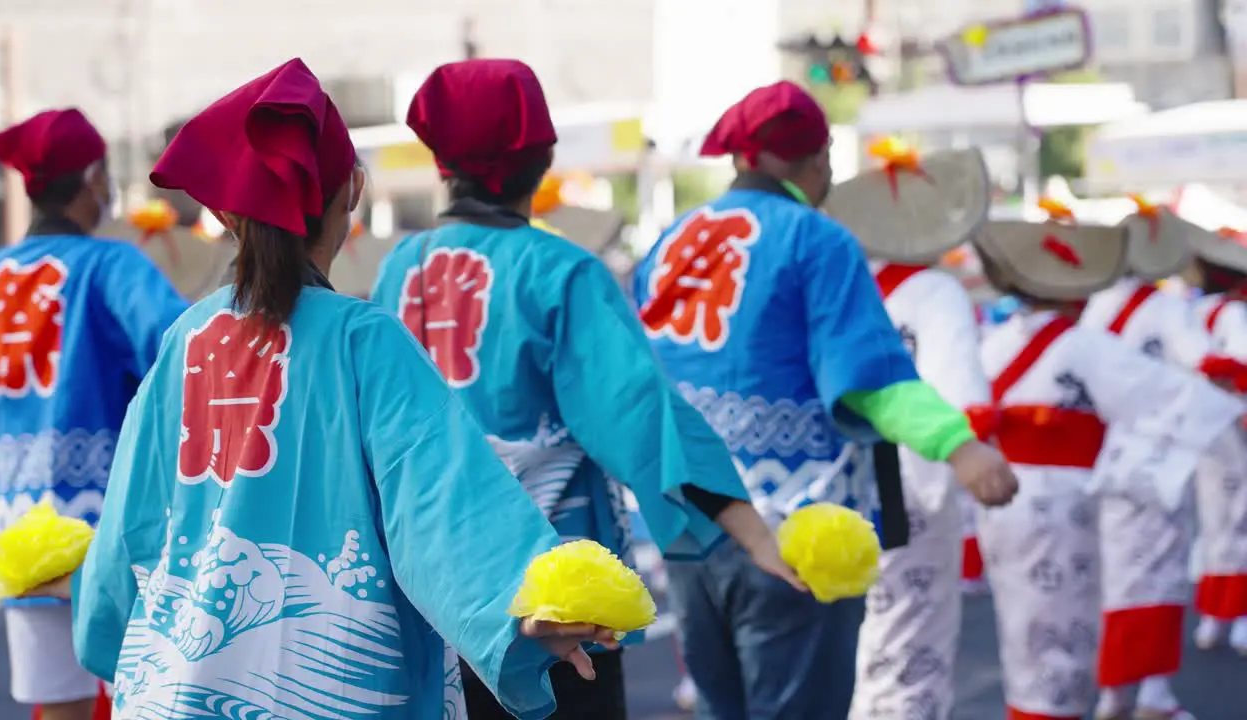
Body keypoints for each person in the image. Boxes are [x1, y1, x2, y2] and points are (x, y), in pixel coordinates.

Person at [68, 57, 621, 720]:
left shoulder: (185, 340)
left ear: (223, 212)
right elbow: (442, 508)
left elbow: (127, 534)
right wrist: (525, 614)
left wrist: (100, 626)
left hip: (174, 694)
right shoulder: (365, 339)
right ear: (352, 191)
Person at [369, 58, 795, 719]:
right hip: (558, 590)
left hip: (437, 586)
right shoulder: (558, 269)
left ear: (440, 163)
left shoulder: (401, 267)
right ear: (543, 162)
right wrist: (752, 533)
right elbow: (637, 414)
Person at [631, 81, 1017, 719]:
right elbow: (869, 377)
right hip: (793, 527)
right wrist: (960, 445)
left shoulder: (672, 241)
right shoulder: (816, 238)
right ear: (816, 159)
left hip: (691, 524)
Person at [971, 218, 1241, 720]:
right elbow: (1172, 393)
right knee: (1065, 630)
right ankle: (1103, 702)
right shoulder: (1089, 345)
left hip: (1001, 496)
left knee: (1021, 627)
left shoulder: (994, 342)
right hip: (1067, 499)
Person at [0, 108, 189, 720]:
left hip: (16, 522)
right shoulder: (110, 265)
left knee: (59, 705)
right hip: (105, 520)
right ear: (94, 176)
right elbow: (184, 351)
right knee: (142, 694)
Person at [826, 145, 1014, 720]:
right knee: (908, 651)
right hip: (908, 493)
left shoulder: (834, 289)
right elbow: (960, 395)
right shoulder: (936, 293)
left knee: (841, 652)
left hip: (826, 493)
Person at [1079, 207, 1246, 719]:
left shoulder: (1096, 306)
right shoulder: (1170, 311)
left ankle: (1118, 691)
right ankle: (1150, 693)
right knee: (1158, 570)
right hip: (1157, 453)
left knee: (1117, 575)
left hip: (1101, 453)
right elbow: (1208, 364)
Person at [1184, 226, 1247, 656]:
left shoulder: (1211, 313)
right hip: (1221, 424)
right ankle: (1228, 613)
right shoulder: (1216, 313)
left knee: (1222, 519)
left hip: (1220, 423)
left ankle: (1226, 614)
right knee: (1230, 518)